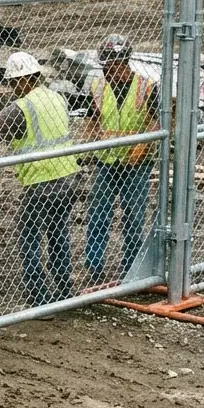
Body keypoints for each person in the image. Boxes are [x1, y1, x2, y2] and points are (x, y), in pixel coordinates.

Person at [0, 52, 80, 309]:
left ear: (24, 80)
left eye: (14, 82)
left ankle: (39, 299)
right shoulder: (56, 96)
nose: (12, 87)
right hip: (68, 176)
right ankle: (65, 291)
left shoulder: (21, 107)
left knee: (29, 238)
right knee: (58, 235)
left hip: (42, 181)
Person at [84, 34, 158, 287]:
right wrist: (91, 144)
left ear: (122, 63)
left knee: (134, 217)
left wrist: (143, 144)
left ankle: (131, 269)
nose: (105, 70)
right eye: (103, 65)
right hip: (106, 162)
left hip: (137, 164)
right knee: (98, 214)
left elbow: (158, 122)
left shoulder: (146, 87)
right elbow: (91, 119)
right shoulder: (98, 87)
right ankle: (94, 266)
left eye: (109, 65)